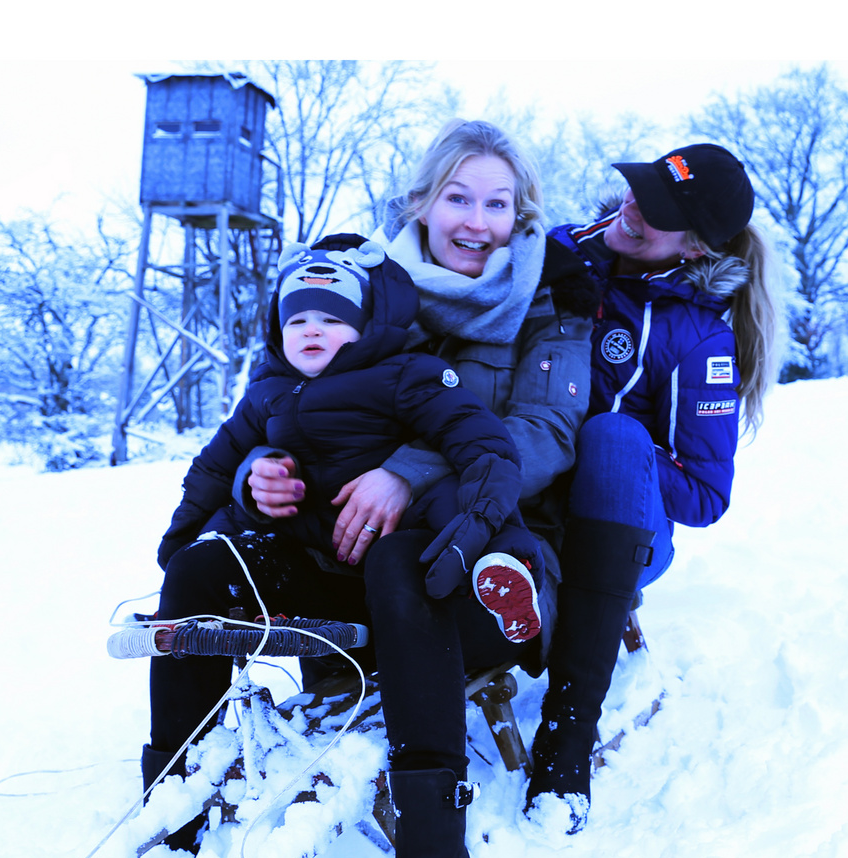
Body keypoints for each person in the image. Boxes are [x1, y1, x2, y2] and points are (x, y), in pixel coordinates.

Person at [239, 120, 598, 858]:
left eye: (498, 203)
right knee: (228, 558)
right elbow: (280, 399)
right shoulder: (365, 283)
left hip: (494, 527)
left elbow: (547, 436)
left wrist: (407, 473)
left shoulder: (552, 294)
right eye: (457, 198)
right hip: (346, 528)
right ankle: (162, 843)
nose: (477, 221)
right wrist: (260, 474)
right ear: (421, 203)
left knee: (410, 563)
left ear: (523, 214)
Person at [134, 235, 545, 816]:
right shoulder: (267, 395)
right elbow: (214, 466)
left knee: (449, 498)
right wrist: (179, 546)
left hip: (415, 581)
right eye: (296, 317)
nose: (312, 329)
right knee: (199, 567)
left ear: (366, 324)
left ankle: (504, 567)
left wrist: (477, 526)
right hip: (325, 580)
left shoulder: (407, 374)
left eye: (332, 317)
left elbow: (488, 447)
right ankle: (172, 795)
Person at [527, 143, 782, 834]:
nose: (633, 209)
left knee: (612, 437)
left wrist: (600, 437)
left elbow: (705, 494)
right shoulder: (557, 249)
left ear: (696, 248)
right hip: (520, 486)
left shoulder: (699, 337)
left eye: (659, 212)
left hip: (621, 526)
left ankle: (567, 737)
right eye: (639, 189)